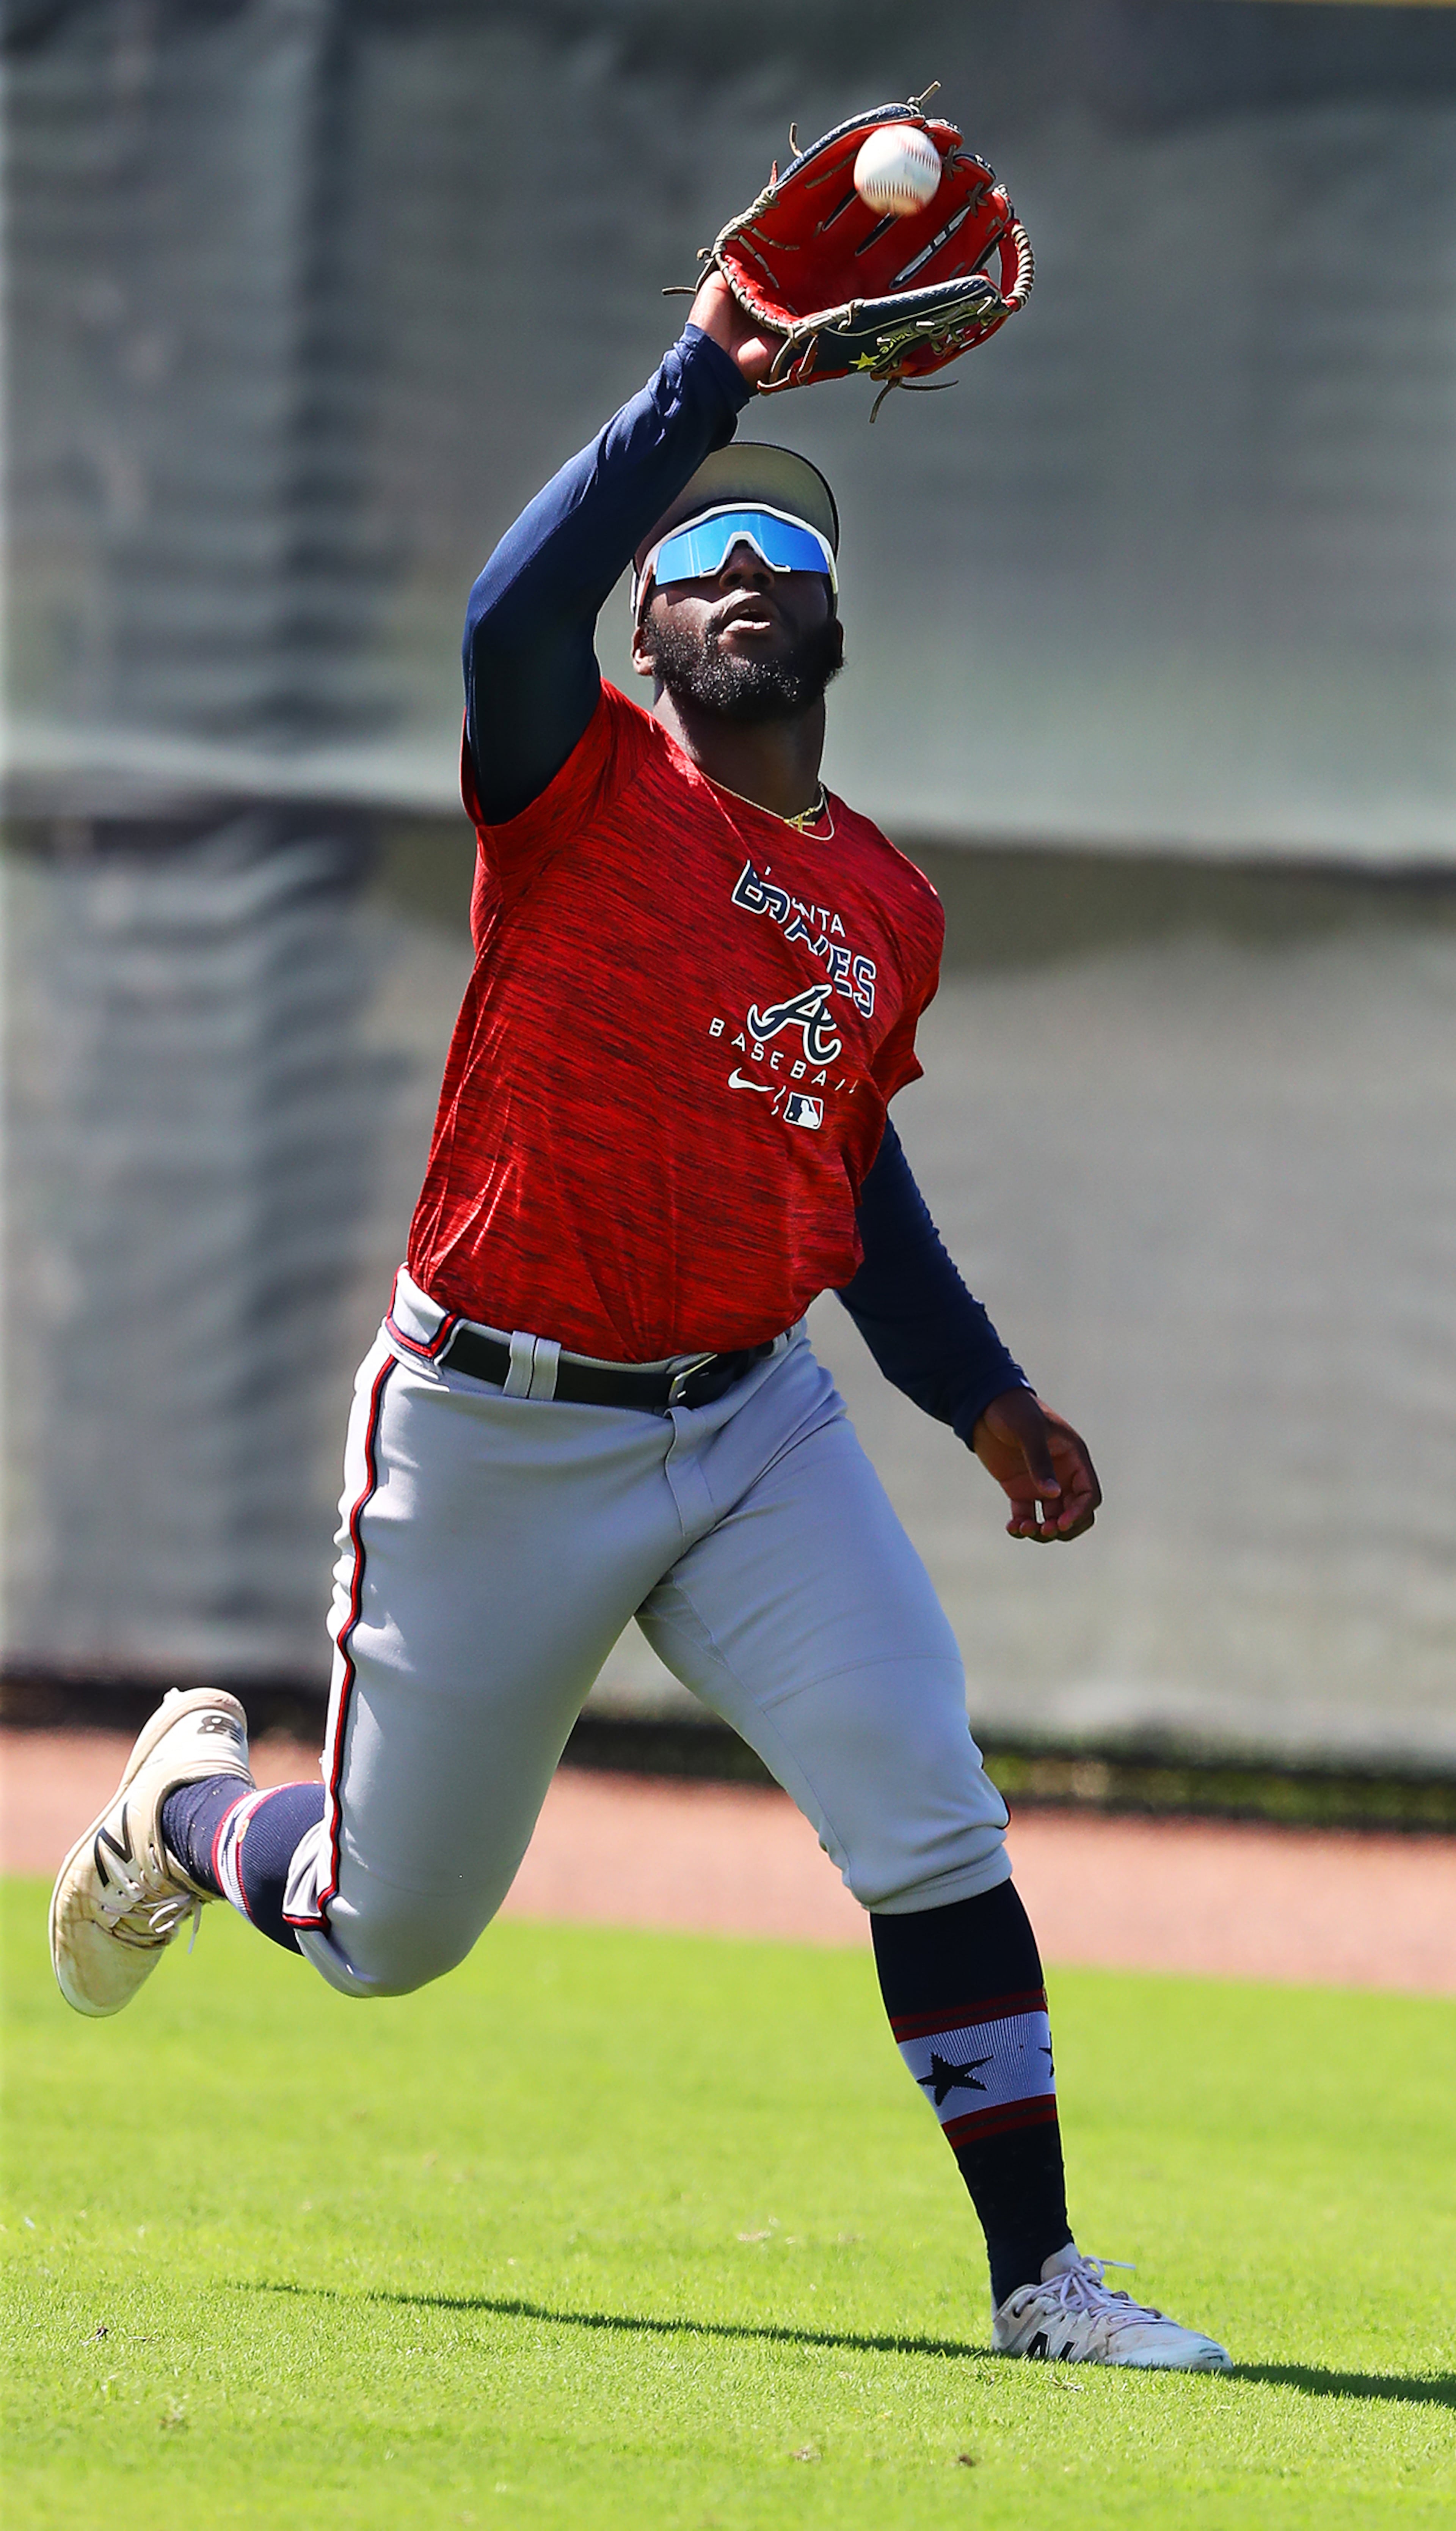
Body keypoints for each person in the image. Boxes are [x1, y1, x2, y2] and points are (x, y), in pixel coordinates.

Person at [50, 274, 1229, 2371]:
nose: (751, 573)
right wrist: (715, 373)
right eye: (701, 558)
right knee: (385, 1931)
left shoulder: (888, 907)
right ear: (654, 634)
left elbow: (845, 1173)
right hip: (500, 1426)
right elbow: (511, 615)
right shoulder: (574, 777)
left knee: (929, 1802)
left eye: (789, 550)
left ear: (834, 628)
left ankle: (1043, 2278)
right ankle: (189, 1811)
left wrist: (984, 1396)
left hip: (749, 1424)